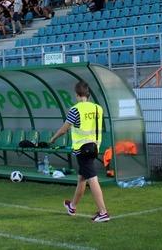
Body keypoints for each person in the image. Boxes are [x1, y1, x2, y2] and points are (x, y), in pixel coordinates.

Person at [50, 81, 110, 222]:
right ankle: (72, 206)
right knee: (82, 178)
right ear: (88, 95)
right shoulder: (98, 108)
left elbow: (64, 129)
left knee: (92, 178)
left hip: (82, 149)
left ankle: (103, 212)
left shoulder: (75, 110)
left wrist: (53, 138)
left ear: (77, 95)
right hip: (94, 147)